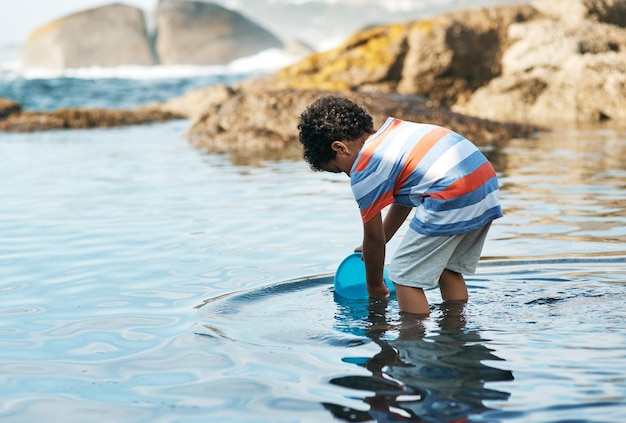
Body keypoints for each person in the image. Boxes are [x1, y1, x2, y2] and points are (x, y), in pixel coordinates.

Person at [297, 96, 502, 315]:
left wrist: (375, 286)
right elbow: (405, 198)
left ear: (340, 148)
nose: (347, 175)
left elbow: (373, 239)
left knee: (404, 276)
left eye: (339, 169)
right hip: (483, 182)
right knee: (446, 267)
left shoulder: (365, 167)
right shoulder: (395, 133)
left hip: (450, 192)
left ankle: (411, 341)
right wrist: (385, 237)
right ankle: (455, 327)